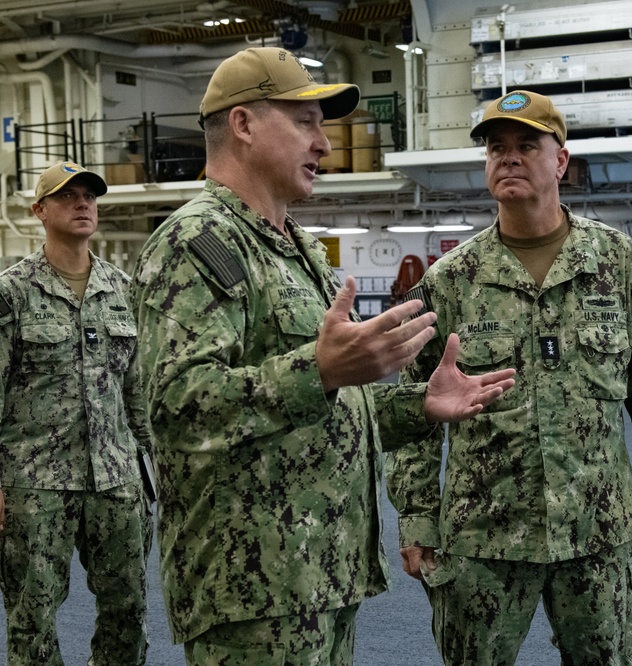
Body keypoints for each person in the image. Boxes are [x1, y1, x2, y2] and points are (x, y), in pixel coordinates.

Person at [129, 47, 515, 665]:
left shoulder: (298, 248)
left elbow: (330, 405)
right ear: (244, 124)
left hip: (320, 575)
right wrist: (320, 369)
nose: (325, 145)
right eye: (304, 122)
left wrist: (421, 405)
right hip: (253, 590)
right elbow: (175, 411)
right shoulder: (193, 243)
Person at [386, 90, 632, 666]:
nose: (509, 157)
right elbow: (415, 410)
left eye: (528, 145)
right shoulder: (451, 280)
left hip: (595, 526)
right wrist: (417, 516)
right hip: (483, 533)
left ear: (561, 162)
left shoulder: (616, 263)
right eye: (497, 148)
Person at [0, 161, 154, 665]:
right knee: (33, 617)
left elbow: (136, 388)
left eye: (89, 195)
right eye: (68, 196)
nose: (83, 203)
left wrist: (157, 467)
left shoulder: (122, 289)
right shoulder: (12, 293)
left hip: (116, 478)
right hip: (35, 483)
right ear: (39, 210)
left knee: (128, 610)